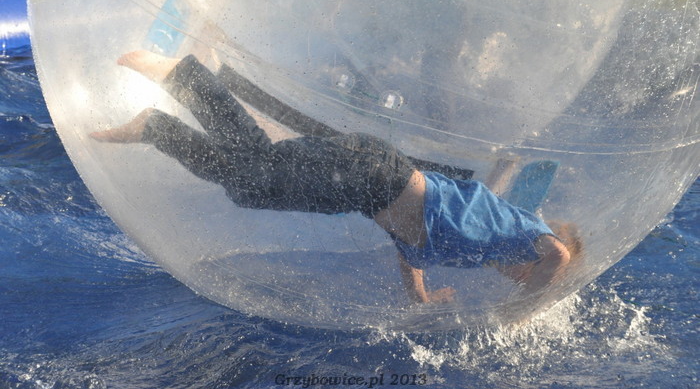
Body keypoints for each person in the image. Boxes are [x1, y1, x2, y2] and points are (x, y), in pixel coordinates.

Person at [91, 51, 581, 304]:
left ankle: (157, 127)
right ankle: (183, 77)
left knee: (248, 184)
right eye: (535, 277)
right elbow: (556, 256)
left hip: (362, 189)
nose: (526, 281)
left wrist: (420, 297)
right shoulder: (516, 230)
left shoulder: (474, 246)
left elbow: (411, 248)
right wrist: (523, 310)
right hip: (370, 171)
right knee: (257, 169)